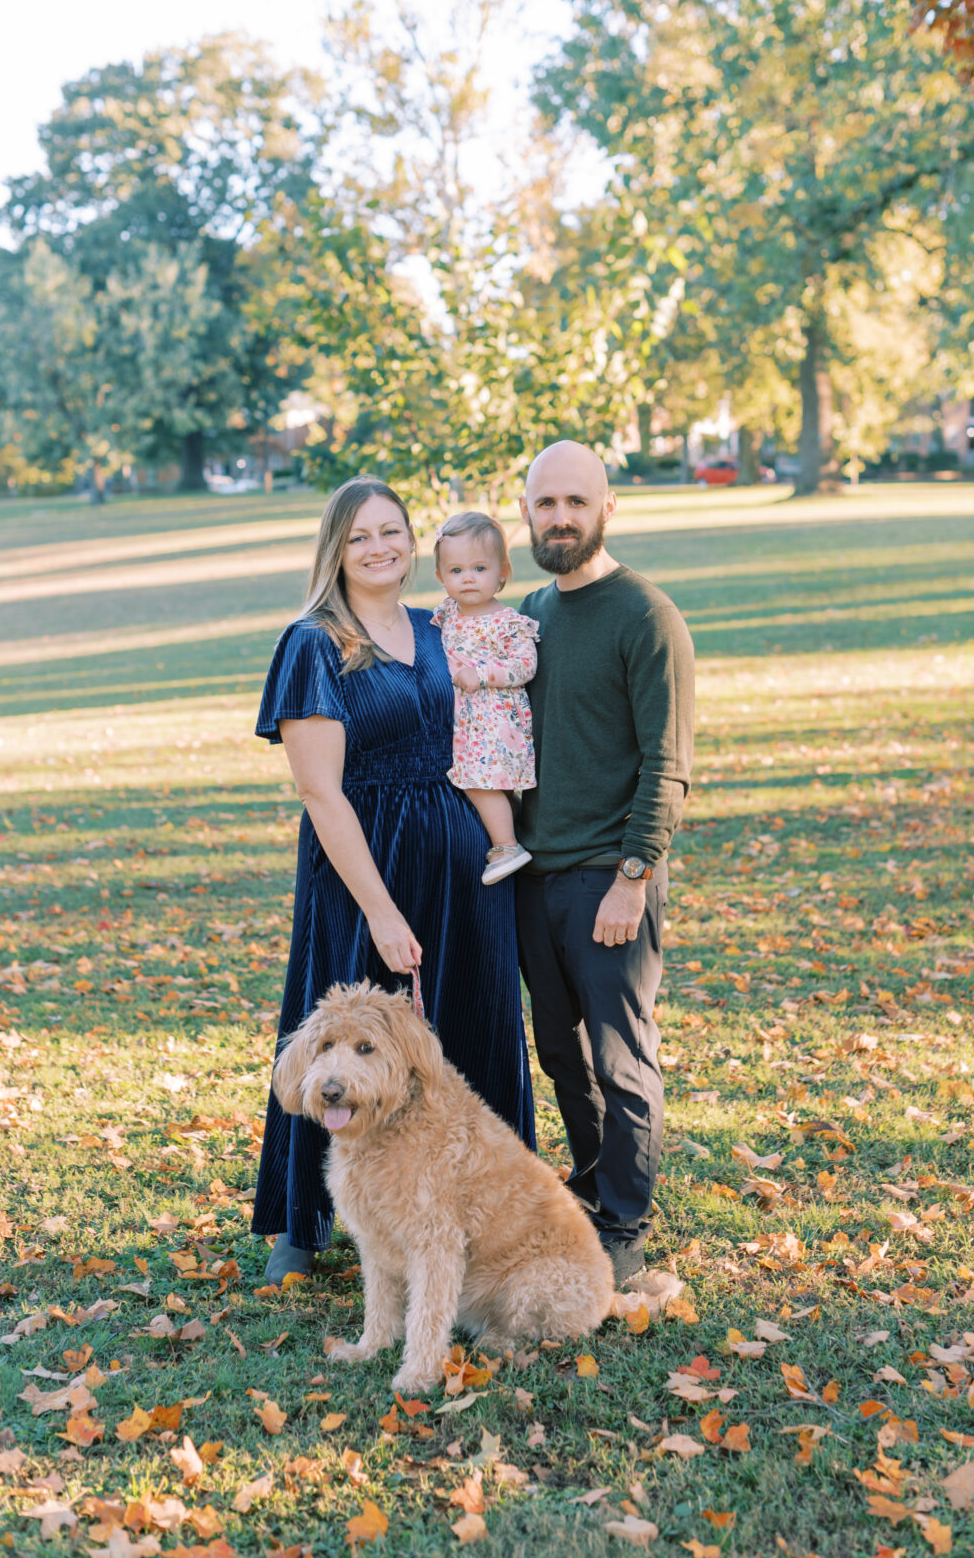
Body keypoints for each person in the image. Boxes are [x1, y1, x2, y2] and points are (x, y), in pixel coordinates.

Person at [253, 477, 536, 1282]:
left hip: (460, 860)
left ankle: (485, 1214)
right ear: (334, 550)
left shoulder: (438, 628)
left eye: (391, 531)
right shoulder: (314, 641)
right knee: (342, 1038)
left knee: (474, 1025)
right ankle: (304, 1227)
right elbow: (319, 790)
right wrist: (377, 908)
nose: (379, 548)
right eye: (359, 537)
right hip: (363, 863)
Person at [514, 440, 695, 1286]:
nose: (559, 518)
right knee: (560, 1052)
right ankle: (589, 1189)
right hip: (531, 875)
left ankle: (624, 1223)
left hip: (609, 876)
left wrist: (633, 874)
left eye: (574, 503)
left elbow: (668, 762)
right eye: (545, 502)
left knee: (620, 1059)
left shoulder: (644, 615)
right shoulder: (528, 615)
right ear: (525, 510)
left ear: (606, 508)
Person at [431, 511, 540, 884]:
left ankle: (507, 845)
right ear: (441, 577)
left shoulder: (506, 622)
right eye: (456, 570)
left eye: (479, 568)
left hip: (494, 719)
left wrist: (482, 674)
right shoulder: (446, 614)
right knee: (473, 780)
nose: (468, 578)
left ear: (502, 572)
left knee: (481, 780)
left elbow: (526, 665)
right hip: (465, 719)